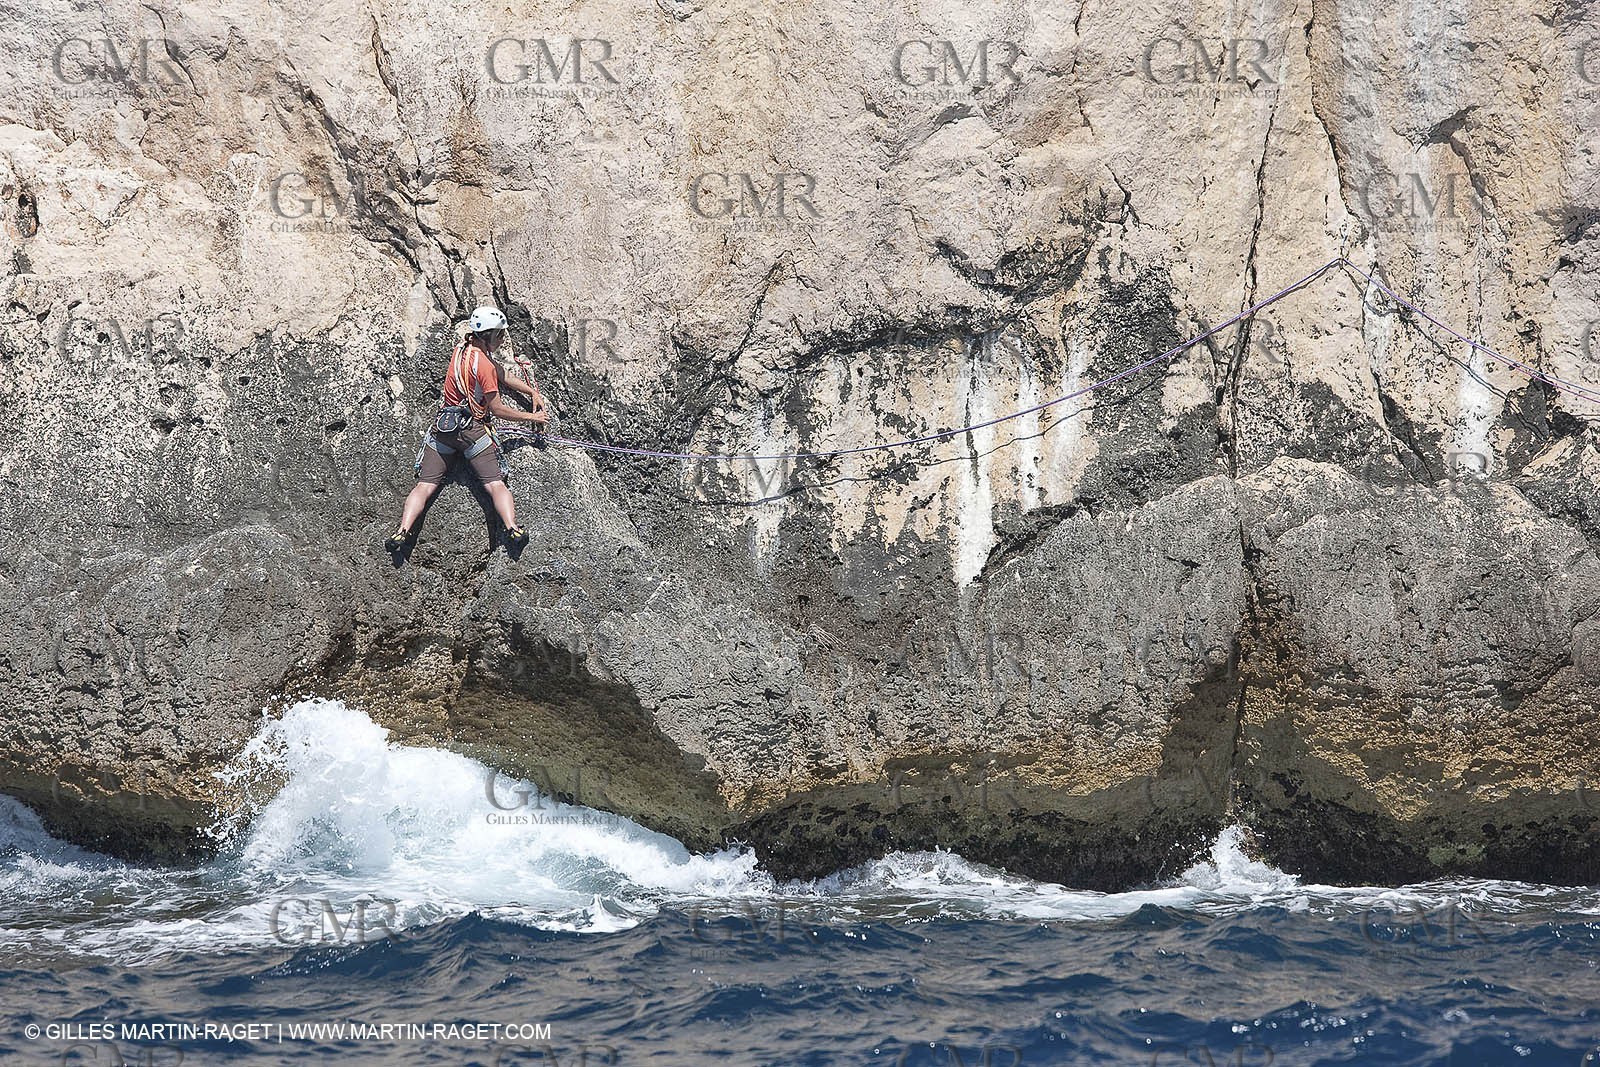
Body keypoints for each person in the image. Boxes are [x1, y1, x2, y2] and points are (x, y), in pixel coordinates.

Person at [385, 307, 548, 551]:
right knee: (495, 484)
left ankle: (402, 531)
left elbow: (499, 372)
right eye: (500, 335)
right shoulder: (484, 366)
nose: (503, 339)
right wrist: (532, 416)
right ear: (489, 336)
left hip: (444, 427)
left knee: (425, 485)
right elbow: (498, 409)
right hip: (472, 430)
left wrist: (530, 390)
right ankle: (512, 528)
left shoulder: (462, 350)